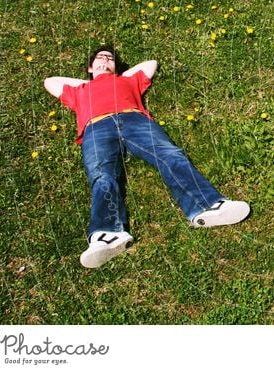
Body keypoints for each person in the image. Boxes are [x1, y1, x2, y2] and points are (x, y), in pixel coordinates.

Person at [43, 44, 250, 269]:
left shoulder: (128, 80)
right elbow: (50, 81)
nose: (105, 60)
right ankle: (107, 234)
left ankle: (207, 206)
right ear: (89, 67)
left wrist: (115, 73)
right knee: (102, 174)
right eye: (99, 59)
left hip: (134, 120)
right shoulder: (80, 90)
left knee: (170, 155)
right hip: (97, 127)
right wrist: (92, 77)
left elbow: (151, 64)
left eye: (110, 58)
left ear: (118, 66)